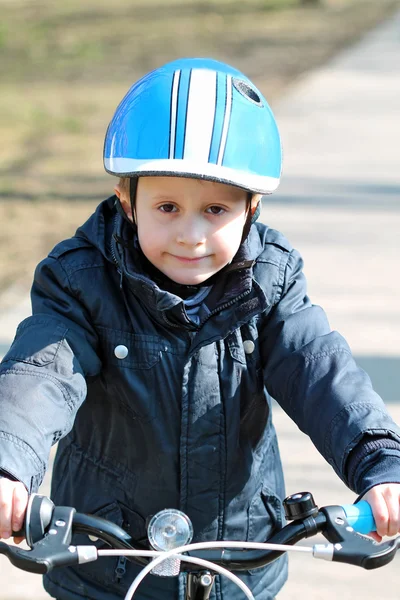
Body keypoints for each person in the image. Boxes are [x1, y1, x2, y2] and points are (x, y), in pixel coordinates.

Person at [0, 57, 399, 600]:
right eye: (167, 206)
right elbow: (41, 373)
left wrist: (381, 463)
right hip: (105, 563)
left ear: (252, 209)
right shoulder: (79, 281)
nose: (190, 234)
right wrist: (8, 465)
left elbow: (320, 372)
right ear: (128, 203)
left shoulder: (272, 282)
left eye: (215, 209)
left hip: (240, 556)